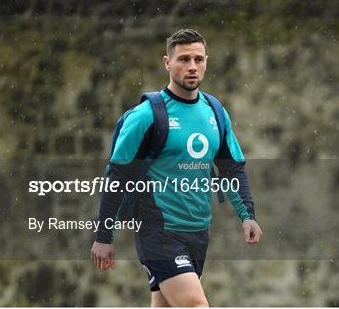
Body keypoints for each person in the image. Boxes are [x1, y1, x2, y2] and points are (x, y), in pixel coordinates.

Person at [90, 29, 262, 307]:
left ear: (206, 61)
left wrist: (247, 216)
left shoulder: (215, 112)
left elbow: (232, 169)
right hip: (158, 232)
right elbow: (117, 177)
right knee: (195, 305)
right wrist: (103, 236)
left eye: (198, 59)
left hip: (198, 232)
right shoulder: (146, 116)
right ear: (167, 63)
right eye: (183, 59)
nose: (192, 66)